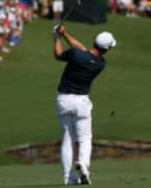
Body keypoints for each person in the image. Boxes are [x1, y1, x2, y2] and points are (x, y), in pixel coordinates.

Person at [53, 24, 116, 186]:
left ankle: (69, 177)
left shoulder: (75, 55)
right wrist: (65, 34)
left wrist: (57, 37)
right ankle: (84, 166)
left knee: (68, 138)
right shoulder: (100, 63)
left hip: (63, 100)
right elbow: (82, 50)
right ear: (106, 49)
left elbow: (59, 54)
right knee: (85, 138)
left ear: (94, 41)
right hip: (81, 102)